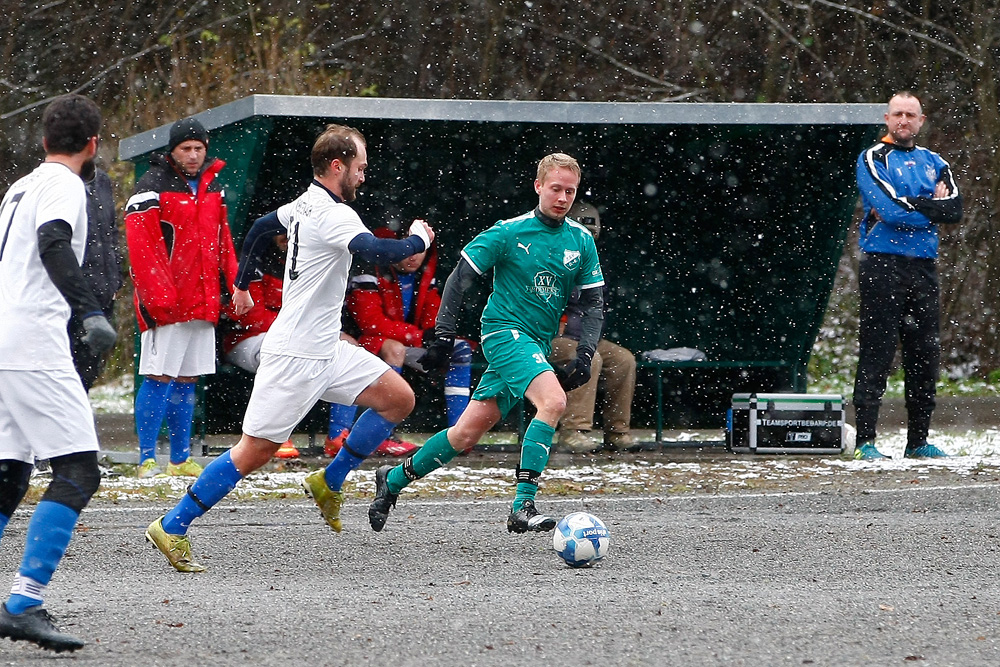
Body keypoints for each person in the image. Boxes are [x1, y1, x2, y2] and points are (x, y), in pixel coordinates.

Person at [144, 124, 434, 572]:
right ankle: (173, 524)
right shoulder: (333, 214)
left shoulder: (305, 203)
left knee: (399, 399)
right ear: (337, 166)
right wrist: (420, 239)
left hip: (325, 348)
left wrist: (241, 284)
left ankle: (328, 480)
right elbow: (378, 250)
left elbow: (261, 228)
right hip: (295, 354)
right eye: (359, 167)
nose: (363, 175)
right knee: (253, 452)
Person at [368, 153, 604, 534]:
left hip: (535, 343)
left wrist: (586, 352)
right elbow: (459, 279)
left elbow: (594, 305)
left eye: (570, 191)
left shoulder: (580, 240)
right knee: (554, 401)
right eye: (556, 188)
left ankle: (392, 480)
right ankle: (523, 505)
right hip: (504, 333)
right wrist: (444, 335)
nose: (562, 198)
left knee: (464, 435)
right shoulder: (508, 231)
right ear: (538, 186)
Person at [0, 94, 116, 652]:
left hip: (4, 338)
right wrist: (89, 309)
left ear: (44, 140)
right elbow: (52, 241)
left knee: (8, 473)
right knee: (78, 470)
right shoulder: (66, 186)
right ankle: (23, 604)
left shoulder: (18, 187)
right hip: (34, 343)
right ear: (92, 143)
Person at [125, 117, 239, 478]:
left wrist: (236, 285)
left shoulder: (212, 188)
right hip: (167, 304)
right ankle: (145, 459)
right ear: (172, 151)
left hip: (202, 300)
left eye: (198, 148)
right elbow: (143, 251)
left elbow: (224, 242)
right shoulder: (150, 187)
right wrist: (160, 299)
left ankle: (178, 458)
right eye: (186, 148)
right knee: (158, 376)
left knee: (188, 378)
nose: (192, 155)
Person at [852, 91, 963, 460]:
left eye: (910, 115)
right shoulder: (872, 157)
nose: (904, 121)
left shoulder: (935, 161)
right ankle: (866, 441)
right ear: (886, 118)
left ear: (921, 120)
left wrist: (913, 206)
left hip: (923, 267)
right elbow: (887, 209)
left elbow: (954, 209)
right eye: (897, 114)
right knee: (877, 351)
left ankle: (918, 441)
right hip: (882, 263)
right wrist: (929, 206)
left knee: (924, 354)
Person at [340, 227, 472, 448]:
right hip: (362, 341)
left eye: (421, 250)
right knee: (394, 348)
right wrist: (420, 335)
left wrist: (437, 337)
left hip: (404, 342)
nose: (414, 256)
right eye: (410, 246)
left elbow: (433, 315)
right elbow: (369, 322)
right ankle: (372, 435)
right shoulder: (371, 270)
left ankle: (459, 437)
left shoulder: (425, 275)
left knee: (459, 349)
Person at [550, 200, 636, 454]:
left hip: (586, 336)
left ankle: (617, 432)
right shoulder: (551, 254)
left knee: (624, 360)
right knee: (590, 358)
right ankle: (574, 430)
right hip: (551, 337)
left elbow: (595, 307)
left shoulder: (593, 261)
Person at [220, 234, 299, 459]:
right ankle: (275, 435)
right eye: (281, 232)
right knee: (280, 353)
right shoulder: (255, 263)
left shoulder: (305, 262)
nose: (287, 238)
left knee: (338, 346)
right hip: (244, 339)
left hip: (290, 335)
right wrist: (298, 326)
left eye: (292, 232)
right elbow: (252, 317)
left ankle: (339, 434)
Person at [68, 164, 122, 391]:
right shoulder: (59, 183)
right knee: (68, 367)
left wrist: (115, 277)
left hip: (102, 290)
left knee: (89, 367)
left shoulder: (102, 181)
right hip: (72, 291)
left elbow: (110, 232)